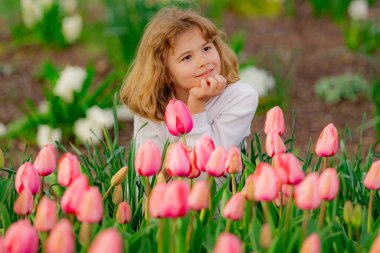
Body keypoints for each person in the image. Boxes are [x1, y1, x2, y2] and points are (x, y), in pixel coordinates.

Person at [120, 7, 259, 153]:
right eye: (187, 57)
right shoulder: (151, 106)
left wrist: (196, 103)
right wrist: (166, 169)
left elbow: (207, 168)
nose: (203, 61)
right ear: (165, 72)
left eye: (206, 48)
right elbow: (146, 174)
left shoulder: (240, 98)